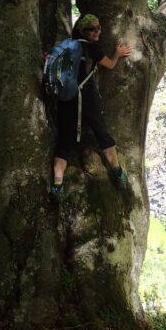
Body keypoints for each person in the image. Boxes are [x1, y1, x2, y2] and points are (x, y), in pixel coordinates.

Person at [50, 13, 132, 201]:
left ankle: (57, 185)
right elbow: (110, 65)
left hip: (64, 100)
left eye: (98, 28)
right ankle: (118, 172)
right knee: (102, 132)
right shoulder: (91, 48)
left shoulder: (65, 47)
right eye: (92, 29)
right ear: (83, 30)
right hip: (86, 99)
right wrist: (117, 54)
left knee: (64, 141)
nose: (96, 32)